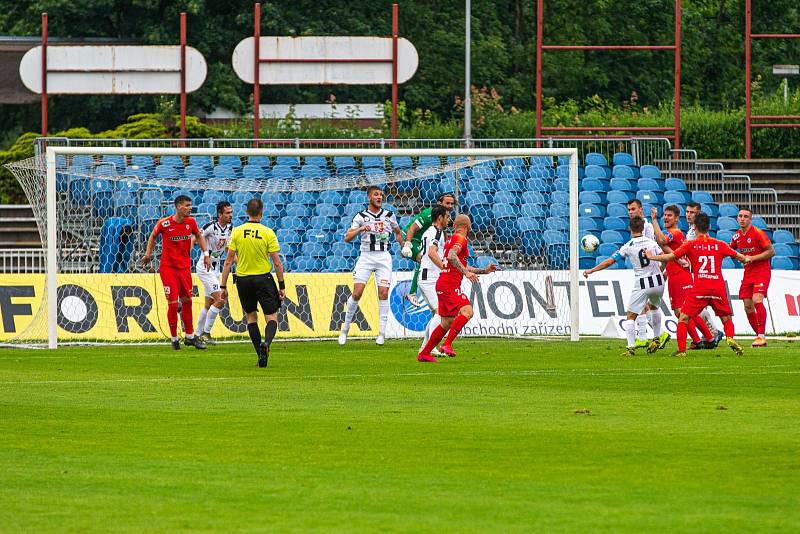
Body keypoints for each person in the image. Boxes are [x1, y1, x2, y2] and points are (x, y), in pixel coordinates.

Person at [647, 212, 751, 357]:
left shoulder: (691, 244)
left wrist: (652, 256)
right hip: (717, 287)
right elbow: (741, 257)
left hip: (700, 287)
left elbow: (670, 256)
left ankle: (682, 351)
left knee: (683, 318)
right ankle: (730, 338)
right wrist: (747, 259)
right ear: (709, 227)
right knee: (726, 318)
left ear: (695, 227)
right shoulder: (719, 244)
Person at [583, 217, 668, 357]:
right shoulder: (652, 243)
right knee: (654, 308)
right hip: (658, 281)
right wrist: (662, 270)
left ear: (630, 229)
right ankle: (657, 338)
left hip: (642, 283)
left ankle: (630, 348)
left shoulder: (628, 246)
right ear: (642, 228)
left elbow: (610, 261)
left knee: (630, 315)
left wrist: (592, 270)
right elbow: (664, 257)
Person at [417, 214, 496, 362]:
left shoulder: (449, 240)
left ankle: (425, 353)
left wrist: (483, 271)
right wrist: (466, 273)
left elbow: (458, 262)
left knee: (446, 322)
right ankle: (447, 345)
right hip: (449, 285)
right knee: (467, 311)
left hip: (442, 283)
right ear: (468, 226)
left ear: (454, 226)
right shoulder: (461, 239)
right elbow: (453, 257)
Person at [219, 198, 285, 368]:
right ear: (261, 213)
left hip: (243, 280)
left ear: (247, 213)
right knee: (271, 317)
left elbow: (228, 261)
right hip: (263, 279)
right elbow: (277, 263)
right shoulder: (268, 232)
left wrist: (223, 286)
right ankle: (267, 344)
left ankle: (259, 355)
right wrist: (281, 285)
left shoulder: (237, 232)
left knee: (251, 317)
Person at [141, 194, 210, 350]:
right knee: (173, 305)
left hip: (185, 268)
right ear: (178, 207)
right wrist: (147, 254)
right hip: (168, 269)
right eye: (186, 205)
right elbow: (152, 236)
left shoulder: (191, 222)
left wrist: (206, 255)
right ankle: (174, 339)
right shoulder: (164, 223)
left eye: (190, 205)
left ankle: (190, 337)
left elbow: (199, 236)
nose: (189, 208)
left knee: (188, 302)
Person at [339, 185, 405, 346]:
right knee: (357, 293)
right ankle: (344, 330)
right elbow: (347, 237)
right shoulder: (361, 216)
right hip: (366, 257)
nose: (379, 197)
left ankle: (382, 334)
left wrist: (404, 246)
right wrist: (361, 228)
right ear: (369, 197)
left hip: (383, 258)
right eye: (376, 195)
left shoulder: (389, 215)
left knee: (383, 293)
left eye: (381, 195)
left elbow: (397, 232)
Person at [651, 205, 716, 350]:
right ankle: (700, 340)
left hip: (681, 276)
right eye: (665, 215)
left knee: (686, 311)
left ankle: (708, 338)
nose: (666, 218)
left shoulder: (676, 233)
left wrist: (654, 220)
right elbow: (667, 248)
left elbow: (661, 240)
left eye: (669, 215)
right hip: (674, 275)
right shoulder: (673, 234)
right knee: (679, 312)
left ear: (676, 219)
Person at [401, 193, 456, 306]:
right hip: (412, 238)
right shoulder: (428, 214)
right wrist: (407, 244)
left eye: (452, 203)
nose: (450, 206)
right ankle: (412, 293)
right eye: (447, 203)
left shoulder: (444, 217)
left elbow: (442, 232)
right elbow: (411, 229)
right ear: (440, 203)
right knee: (422, 258)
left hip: (423, 241)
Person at [730, 208, 775, 347]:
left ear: (750, 219)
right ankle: (759, 337)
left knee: (757, 300)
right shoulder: (737, 236)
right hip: (748, 273)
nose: (742, 219)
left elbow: (771, 252)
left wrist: (752, 258)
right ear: (737, 218)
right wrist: (738, 256)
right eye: (740, 216)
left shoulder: (758, 233)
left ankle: (761, 336)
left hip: (762, 271)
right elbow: (731, 250)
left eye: (745, 216)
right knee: (748, 306)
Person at [685, 201, 725, 345]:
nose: (689, 215)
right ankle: (712, 332)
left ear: (699, 214)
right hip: (695, 272)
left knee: (696, 304)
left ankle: (713, 332)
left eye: (692, 213)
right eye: (688, 212)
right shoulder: (691, 231)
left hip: (702, 273)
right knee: (699, 305)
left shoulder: (698, 233)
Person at [193, 201, 233, 345]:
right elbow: (196, 237)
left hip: (216, 269)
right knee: (221, 299)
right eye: (227, 213)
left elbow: (229, 250)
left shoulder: (230, 228)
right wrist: (203, 254)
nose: (230, 215)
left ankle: (196, 335)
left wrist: (239, 262)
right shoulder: (211, 226)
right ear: (219, 214)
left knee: (208, 304)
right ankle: (206, 333)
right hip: (205, 268)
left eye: (231, 212)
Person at [626, 199, 663, 349]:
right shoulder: (636, 226)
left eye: (633, 209)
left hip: (650, 271)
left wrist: (661, 268)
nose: (630, 212)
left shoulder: (646, 227)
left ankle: (647, 336)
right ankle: (651, 336)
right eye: (628, 209)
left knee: (642, 305)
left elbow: (649, 247)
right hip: (645, 271)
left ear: (641, 210)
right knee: (648, 305)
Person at [415, 205, 451, 357]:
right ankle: (426, 349)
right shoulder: (437, 232)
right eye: (447, 217)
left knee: (437, 313)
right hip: (429, 277)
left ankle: (426, 348)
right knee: (441, 313)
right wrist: (443, 267)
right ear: (440, 218)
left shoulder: (429, 231)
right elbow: (431, 252)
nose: (449, 219)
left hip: (427, 275)